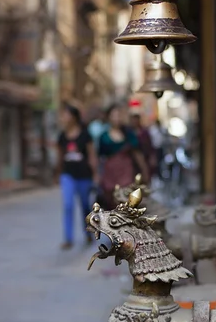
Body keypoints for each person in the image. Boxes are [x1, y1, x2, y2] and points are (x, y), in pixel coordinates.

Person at [57, 103, 98, 249]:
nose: (63, 118)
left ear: (74, 117)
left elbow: (92, 155)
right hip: (68, 175)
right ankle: (68, 238)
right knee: (68, 205)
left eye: (66, 115)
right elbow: (60, 155)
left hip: (84, 175)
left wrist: (95, 174)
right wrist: (59, 173)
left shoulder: (85, 135)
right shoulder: (62, 136)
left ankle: (87, 233)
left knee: (85, 205)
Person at [98, 104, 149, 209]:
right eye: (114, 115)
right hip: (110, 172)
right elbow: (100, 157)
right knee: (111, 199)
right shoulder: (103, 136)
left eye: (118, 115)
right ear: (108, 117)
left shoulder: (128, 134)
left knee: (126, 197)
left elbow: (137, 154)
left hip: (126, 171)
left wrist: (145, 171)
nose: (116, 118)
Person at [129, 113, 157, 179]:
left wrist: (152, 156)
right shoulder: (129, 132)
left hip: (145, 156)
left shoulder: (144, 132)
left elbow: (150, 144)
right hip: (132, 160)